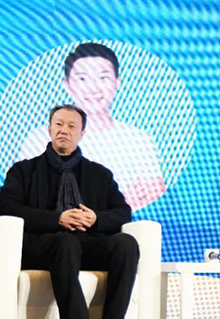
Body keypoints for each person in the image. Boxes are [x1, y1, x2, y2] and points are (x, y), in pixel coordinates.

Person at [0, 105, 139, 319]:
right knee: (65, 241)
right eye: (59, 124)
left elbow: (123, 212)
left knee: (126, 244)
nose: (64, 130)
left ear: (82, 133)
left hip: (87, 242)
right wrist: (57, 219)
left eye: (72, 126)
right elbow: (5, 207)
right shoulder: (24, 170)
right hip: (43, 244)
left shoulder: (99, 174)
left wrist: (96, 218)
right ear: (49, 129)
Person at [19, 42, 165, 210]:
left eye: (103, 78)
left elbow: (153, 193)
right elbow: (24, 196)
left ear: (117, 82)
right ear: (67, 84)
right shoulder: (39, 139)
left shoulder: (137, 139)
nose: (93, 88)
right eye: (82, 79)